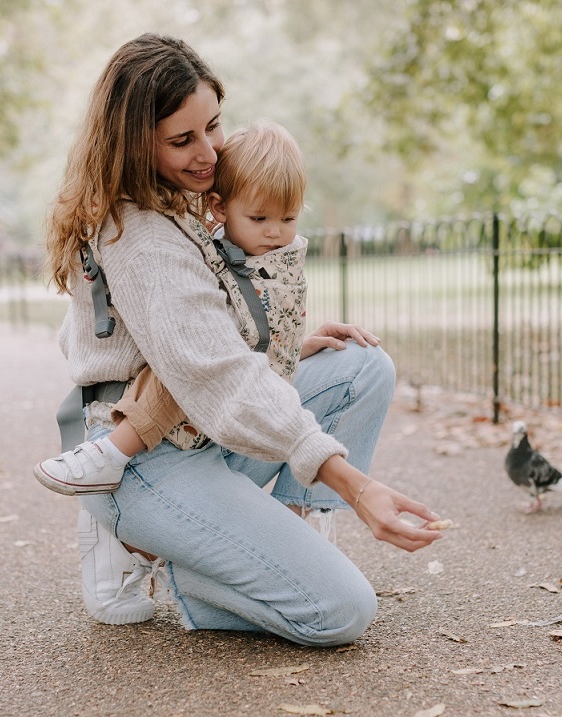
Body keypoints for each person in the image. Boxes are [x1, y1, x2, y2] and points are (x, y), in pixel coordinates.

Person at [44, 33, 442, 645]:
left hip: (199, 431)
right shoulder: (143, 235)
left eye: (213, 126)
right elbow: (218, 376)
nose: (210, 152)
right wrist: (352, 485)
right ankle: (172, 562)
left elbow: (205, 333)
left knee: (360, 366)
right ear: (133, 143)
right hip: (147, 459)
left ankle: (281, 529)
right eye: (183, 140)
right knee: (340, 612)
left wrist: (285, 344)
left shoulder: (182, 203)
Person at [33, 121, 372, 545]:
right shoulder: (194, 248)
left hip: (228, 399)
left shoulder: (282, 257)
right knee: (179, 372)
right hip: (184, 383)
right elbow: (206, 348)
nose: (275, 231)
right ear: (219, 208)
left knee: (364, 363)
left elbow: (263, 332)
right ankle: (113, 453)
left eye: (288, 218)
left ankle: (298, 515)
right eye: (260, 218)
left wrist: (297, 347)